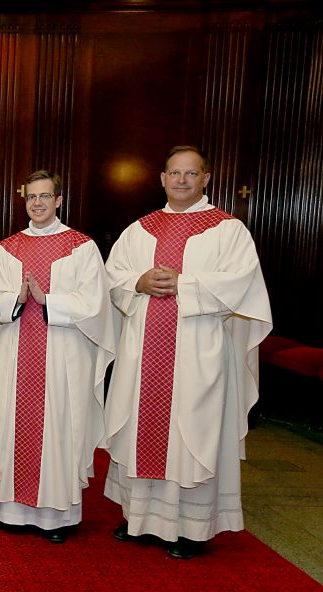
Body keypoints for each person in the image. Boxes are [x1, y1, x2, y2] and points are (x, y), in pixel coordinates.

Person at [103, 146, 272, 558]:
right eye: (174, 173)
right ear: (162, 178)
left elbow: (241, 283)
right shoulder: (139, 229)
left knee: (192, 431)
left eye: (190, 174)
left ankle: (193, 530)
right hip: (144, 351)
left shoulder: (228, 230)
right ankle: (140, 518)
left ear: (205, 179)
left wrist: (186, 284)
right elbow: (112, 277)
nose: (181, 180)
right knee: (141, 425)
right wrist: (138, 282)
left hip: (198, 350)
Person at [0, 171, 115, 543]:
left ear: (59, 200)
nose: (37, 203)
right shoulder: (9, 248)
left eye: (45, 197)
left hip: (62, 358)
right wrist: (16, 300)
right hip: (16, 355)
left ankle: (57, 518)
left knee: (58, 428)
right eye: (31, 197)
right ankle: (11, 510)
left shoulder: (81, 246)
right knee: (13, 425)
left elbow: (95, 304)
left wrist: (49, 301)